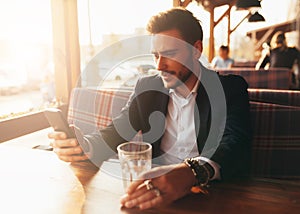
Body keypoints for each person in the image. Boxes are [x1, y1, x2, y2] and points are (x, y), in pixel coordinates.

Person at [48, 8, 251, 210]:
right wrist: (84, 145)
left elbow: (235, 143)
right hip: (154, 194)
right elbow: (117, 131)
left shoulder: (229, 89)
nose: (160, 65)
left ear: (196, 50)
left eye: (170, 54)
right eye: (156, 56)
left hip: (214, 197)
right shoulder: (147, 88)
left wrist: (193, 172)